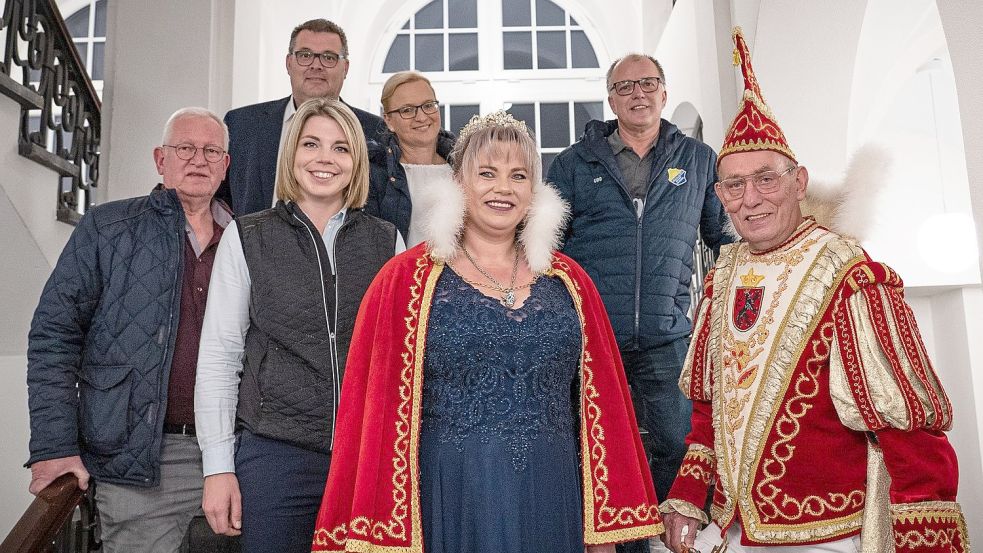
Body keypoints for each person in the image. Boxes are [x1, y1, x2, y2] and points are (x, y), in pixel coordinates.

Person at [660, 27, 969, 553]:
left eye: (766, 179)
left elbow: (909, 430)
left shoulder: (850, 275)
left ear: (799, 181)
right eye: (733, 185)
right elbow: (708, 412)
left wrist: (925, 544)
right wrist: (688, 495)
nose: (750, 199)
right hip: (733, 533)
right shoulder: (723, 275)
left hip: (828, 534)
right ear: (719, 196)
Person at [310, 112, 663, 553]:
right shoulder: (404, 280)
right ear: (458, 184)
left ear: (534, 192)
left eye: (518, 175)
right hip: (449, 494)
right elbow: (372, 413)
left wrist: (603, 535)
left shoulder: (570, 282)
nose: (503, 188)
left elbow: (604, 411)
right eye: (487, 173)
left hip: (552, 493)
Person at [195, 98, 402, 553]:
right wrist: (217, 466)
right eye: (311, 144)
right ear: (291, 154)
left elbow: (400, 361)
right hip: (275, 455)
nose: (324, 158)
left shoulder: (386, 241)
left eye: (341, 148)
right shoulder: (248, 236)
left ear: (357, 162)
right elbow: (219, 356)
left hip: (366, 455)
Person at [26, 107, 233, 552]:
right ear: (161, 159)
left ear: (225, 164)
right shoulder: (108, 227)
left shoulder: (246, 239)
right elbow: (53, 338)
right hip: (140, 457)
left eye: (211, 150)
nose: (198, 159)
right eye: (185, 148)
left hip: (235, 453)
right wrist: (53, 445)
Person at [547, 52, 731, 552]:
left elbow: (725, 239)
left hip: (669, 336)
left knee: (678, 446)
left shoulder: (697, 158)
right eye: (625, 86)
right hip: (593, 340)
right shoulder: (571, 164)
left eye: (648, 83)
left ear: (664, 92)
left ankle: (682, 543)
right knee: (604, 452)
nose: (638, 94)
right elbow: (545, 250)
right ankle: (619, 545)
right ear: (610, 99)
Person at [220, 18, 387, 215]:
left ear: (346, 68)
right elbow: (220, 203)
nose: (316, 65)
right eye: (305, 55)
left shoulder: (375, 130)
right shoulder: (241, 124)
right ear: (289, 63)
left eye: (329, 57)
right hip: (255, 243)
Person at [365, 71, 456, 246]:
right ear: (389, 121)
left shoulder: (464, 166)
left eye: (428, 105)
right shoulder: (374, 174)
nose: (422, 117)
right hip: (401, 272)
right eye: (407, 110)